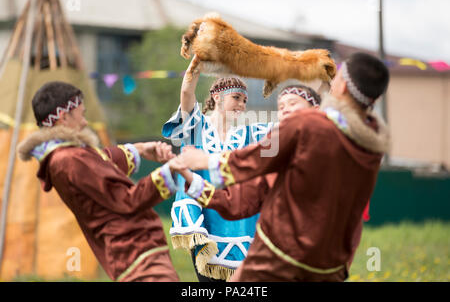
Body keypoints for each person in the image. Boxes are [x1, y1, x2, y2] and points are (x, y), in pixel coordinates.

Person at [178, 52, 390, 281]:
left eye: (292, 104)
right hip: (329, 268)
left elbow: (252, 170)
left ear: (342, 89)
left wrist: (204, 162)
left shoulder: (304, 127)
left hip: (278, 262)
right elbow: (248, 195)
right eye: (282, 106)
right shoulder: (370, 150)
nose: (286, 110)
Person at [17, 81, 184, 282]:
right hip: (137, 258)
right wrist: (171, 170)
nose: (85, 123)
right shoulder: (70, 160)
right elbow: (126, 200)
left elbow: (99, 161)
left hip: (135, 256)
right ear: (63, 117)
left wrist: (140, 149)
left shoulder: (66, 157)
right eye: (82, 115)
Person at [162, 57, 273, 281]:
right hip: (202, 217)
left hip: (238, 223)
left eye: (244, 100)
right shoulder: (195, 126)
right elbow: (186, 94)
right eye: (236, 98)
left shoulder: (249, 134)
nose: (241, 105)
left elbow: (288, 130)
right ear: (217, 97)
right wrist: (196, 65)